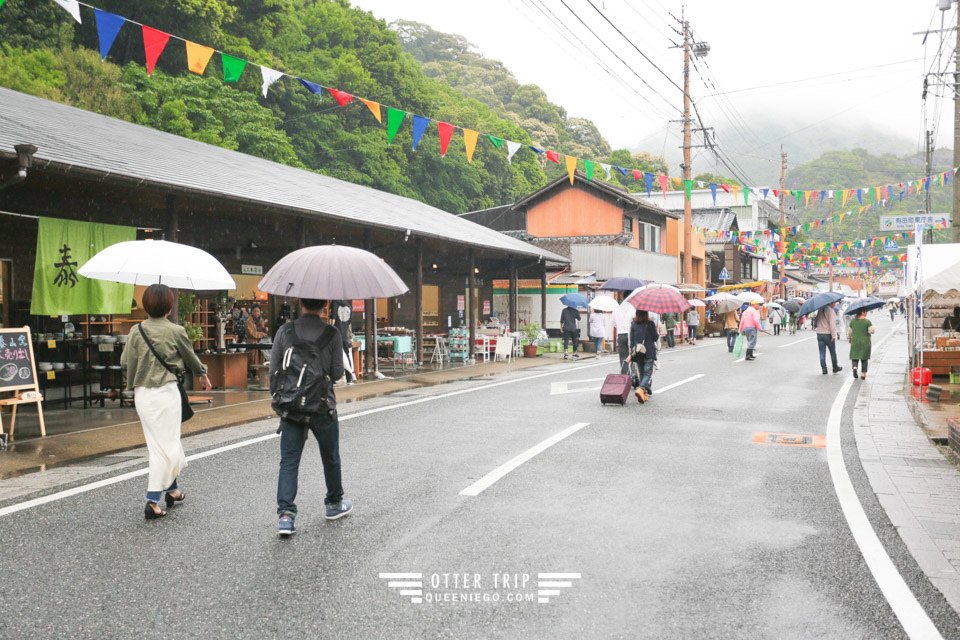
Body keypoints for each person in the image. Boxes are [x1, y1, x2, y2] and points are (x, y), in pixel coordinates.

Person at [122, 284, 212, 520]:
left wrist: (135, 380)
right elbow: (191, 358)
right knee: (167, 444)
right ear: (170, 306)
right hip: (166, 393)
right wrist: (202, 374)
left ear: (145, 305)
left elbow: (125, 362)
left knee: (160, 443)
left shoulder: (136, 331)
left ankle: (172, 490)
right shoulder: (176, 330)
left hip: (143, 395)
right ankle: (152, 500)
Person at [270, 297, 350, 536]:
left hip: (292, 406)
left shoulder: (285, 331)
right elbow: (337, 372)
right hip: (323, 406)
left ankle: (286, 515)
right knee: (330, 456)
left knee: (289, 461)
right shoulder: (332, 333)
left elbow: (273, 369)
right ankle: (334, 504)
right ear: (325, 304)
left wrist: (280, 398)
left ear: (299, 302)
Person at [629, 310, 659, 403]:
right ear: (646, 314)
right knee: (648, 373)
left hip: (638, 351)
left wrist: (631, 352)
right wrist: (657, 331)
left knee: (641, 373)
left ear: (637, 314)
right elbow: (655, 338)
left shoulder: (633, 324)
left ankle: (643, 394)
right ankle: (641, 388)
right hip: (648, 351)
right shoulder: (650, 324)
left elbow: (631, 340)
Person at [814, 303, 843, 375]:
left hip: (819, 334)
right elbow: (832, 324)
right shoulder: (831, 311)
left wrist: (817, 326)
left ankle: (824, 369)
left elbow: (816, 321)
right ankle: (835, 367)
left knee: (822, 352)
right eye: (834, 303)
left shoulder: (820, 310)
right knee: (832, 352)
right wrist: (833, 335)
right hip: (828, 334)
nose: (835, 304)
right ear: (831, 303)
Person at [848, 309, 875, 380]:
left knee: (855, 356)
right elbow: (872, 331)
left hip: (855, 341)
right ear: (862, 312)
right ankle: (863, 374)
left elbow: (849, 332)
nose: (866, 313)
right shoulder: (867, 322)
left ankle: (855, 367)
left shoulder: (853, 321)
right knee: (864, 358)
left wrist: (849, 338)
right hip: (865, 342)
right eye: (866, 311)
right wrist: (870, 330)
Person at [332, 300, 355, 384]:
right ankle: (349, 378)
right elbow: (350, 321)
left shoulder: (335, 303)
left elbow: (333, 319)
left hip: (335, 333)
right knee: (346, 355)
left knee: (333, 355)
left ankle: (333, 378)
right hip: (345, 334)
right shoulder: (349, 305)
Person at [614, 301, 633, 374]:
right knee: (633, 355)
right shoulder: (632, 308)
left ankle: (625, 374)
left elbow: (613, 323)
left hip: (621, 335)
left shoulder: (616, 309)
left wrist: (619, 326)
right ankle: (633, 374)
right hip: (631, 334)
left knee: (623, 356)